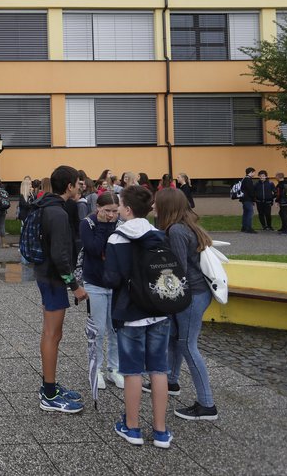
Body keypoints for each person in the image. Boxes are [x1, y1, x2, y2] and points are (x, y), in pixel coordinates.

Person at [102, 185, 173, 448]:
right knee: (158, 369)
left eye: (120, 204)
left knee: (132, 372)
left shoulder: (117, 238)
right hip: (158, 309)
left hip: (129, 311)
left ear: (128, 210)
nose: (118, 208)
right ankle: (161, 432)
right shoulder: (160, 235)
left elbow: (112, 278)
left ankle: (132, 427)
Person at [154, 187, 218, 422]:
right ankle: (170, 381)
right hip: (194, 292)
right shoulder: (184, 226)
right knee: (176, 339)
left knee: (188, 345)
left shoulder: (177, 231)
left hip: (192, 294)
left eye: (156, 204)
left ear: (166, 207)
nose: (153, 207)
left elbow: (176, 268)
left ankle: (207, 404)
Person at [34, 165, 87, 414]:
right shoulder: (58, 213)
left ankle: (50, 385)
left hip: (47, 276)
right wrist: (74, 285)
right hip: (53, 279)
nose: (81, 186)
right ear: (69, 186)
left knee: (51, 333)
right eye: (78, 182)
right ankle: (49, 393)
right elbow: (59, 255)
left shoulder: (49, 206)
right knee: (53, 335)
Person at [79, 192, 124, 391]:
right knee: (97, 329)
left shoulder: (120, 224)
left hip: (115, 284)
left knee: (115, 329)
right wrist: (104, 227)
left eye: (115, 211)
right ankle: (95, 369)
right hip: (95, 282)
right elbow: (95, 249)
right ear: (98, 207)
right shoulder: (87, 224)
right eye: (107, 211)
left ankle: (114, 368)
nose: (112, 215)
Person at [239, 167, 257, 233]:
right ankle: (249, 228)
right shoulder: (248, 180)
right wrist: (253, 199)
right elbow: (250, 191)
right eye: (254, 172)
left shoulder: (244, 179)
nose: (255, 174)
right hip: (248, 199)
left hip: (244, 199)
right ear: (251, 172)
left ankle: (244, 227)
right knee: (250, 213)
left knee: (245, 213)